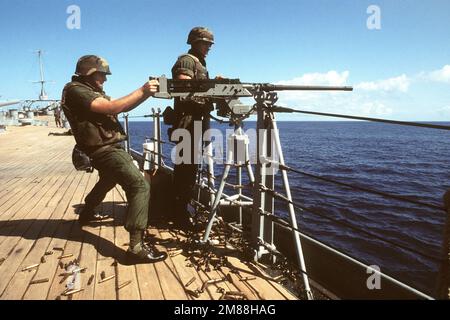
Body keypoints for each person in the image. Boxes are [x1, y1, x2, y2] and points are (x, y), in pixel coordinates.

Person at [61, 55, 166, 263]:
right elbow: (112, 108)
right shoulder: (76, 90)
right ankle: (136, 248)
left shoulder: (89, 91)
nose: (105, 80)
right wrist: (143, 90)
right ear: (89, 73)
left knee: (109, 179)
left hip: (103, 147)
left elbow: (120, 107)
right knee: (140, 185)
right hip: (103, 150)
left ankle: (88, 210)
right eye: (102, 75)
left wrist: (146, 94)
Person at [169, 27, 215, 231]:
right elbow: (184, 88)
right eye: (205, 43)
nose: (208, 48)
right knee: (185, 170)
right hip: (187, 122)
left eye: (209, 44)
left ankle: (181, 210)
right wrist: (211, 89)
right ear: (195, 42)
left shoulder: (199, 62)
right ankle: (179, 214)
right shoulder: (187, 61)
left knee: (189, 168)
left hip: (195, 121)